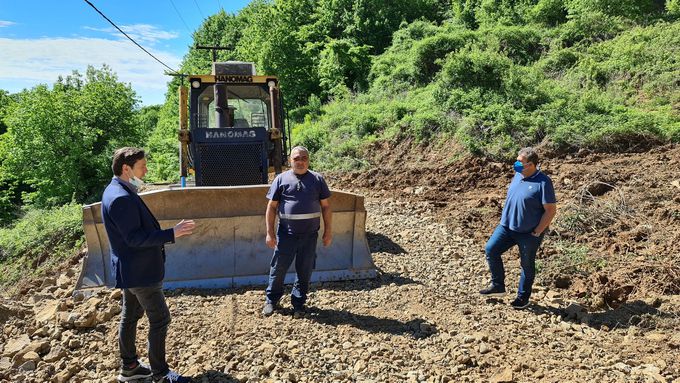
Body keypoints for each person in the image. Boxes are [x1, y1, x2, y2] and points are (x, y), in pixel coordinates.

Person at [102, 147, 196, 383]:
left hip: (131, 270)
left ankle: (130, 367)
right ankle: (161, 374)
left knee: (130, 316)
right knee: (160, 319)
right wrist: (171, 234)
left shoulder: (117, 190)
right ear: (126, 168)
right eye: (142, 165)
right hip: (141, 272)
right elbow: (134, 238)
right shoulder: (121, 198)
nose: (146, 169)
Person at [480, 147, 557, 309]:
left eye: (520, 162)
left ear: (531, 164)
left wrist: (537, 231)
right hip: (507, 227)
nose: (516, 164)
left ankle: (522, 297)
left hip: (528, 233)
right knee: (491, 249)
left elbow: (550, 210)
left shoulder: (543, 182)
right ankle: (498, 286)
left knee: (526, 264)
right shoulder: (518, 175)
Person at [262, 146, 332, 316]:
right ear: (290, 160)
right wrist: (270, 233)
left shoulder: (317, 179)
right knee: (278, 268)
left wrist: (328, 231)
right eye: (296, 158)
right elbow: (271, 208)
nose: (300, 161)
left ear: (308, 160)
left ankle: (299, 303)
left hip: (310, 236)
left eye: (304, 158)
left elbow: (326, 207)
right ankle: (272, 300)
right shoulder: (281, 179)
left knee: (304, 270)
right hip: (286, 234)